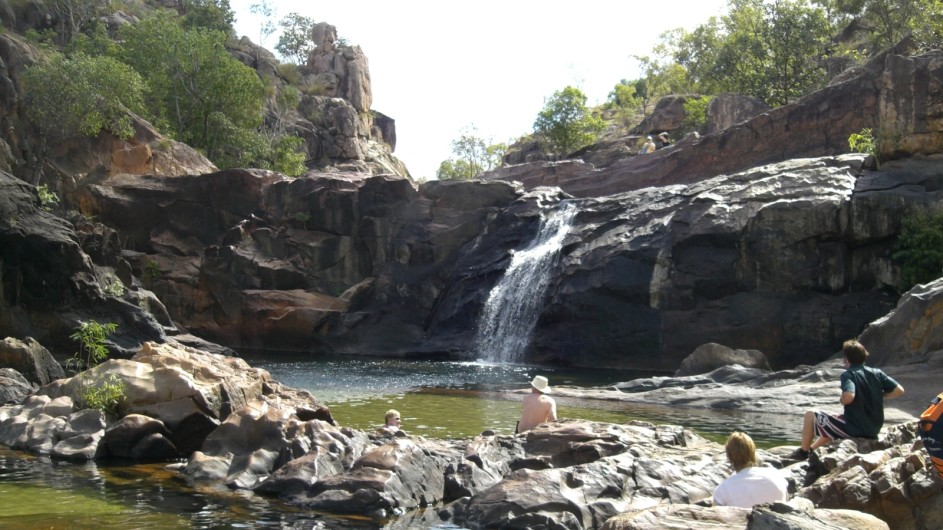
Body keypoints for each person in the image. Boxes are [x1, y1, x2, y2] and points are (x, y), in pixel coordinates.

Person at [789, 339, 905, 460]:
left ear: (847, 359)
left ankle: (802, 452)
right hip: (873, 428)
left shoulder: (848, 374)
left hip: (855, 427)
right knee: (833, 421)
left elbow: (849, 396)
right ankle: (812, 450)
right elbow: (899, 390)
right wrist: (878, 395)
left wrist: (842, 400)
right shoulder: (877, 373)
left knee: (810, 414)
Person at [713, 431, 789, 508]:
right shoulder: (776, 475)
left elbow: (715, 516)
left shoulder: (723, 489)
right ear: (753, 452)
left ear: (729, 457)